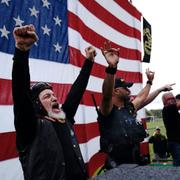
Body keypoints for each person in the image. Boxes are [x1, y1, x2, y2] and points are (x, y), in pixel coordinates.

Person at [12, 24, 96, 180]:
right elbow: (20, 94)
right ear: (36, 105)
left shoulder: (64, 118)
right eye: (46, 96)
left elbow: (76, 92)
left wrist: (89, 62)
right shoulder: (30, 126)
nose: (54, 98)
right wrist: (22, 52)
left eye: (53, 94)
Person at [97, 41, 154, 169]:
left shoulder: (129, 108)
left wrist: (150, 82)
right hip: (118, 168)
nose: (129, 91)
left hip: (136, 163)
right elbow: (106, 95)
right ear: (116, 91)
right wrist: (112, 67)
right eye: (125, 88)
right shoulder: (107, 110)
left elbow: (141, 97)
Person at [162, 92, 180, 166]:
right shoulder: (167, 109)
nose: (173, 100)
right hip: (175, 142)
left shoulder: (174, 111)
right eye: (170, 98)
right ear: (164, 101)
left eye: (174, 98)